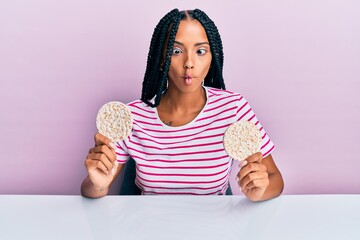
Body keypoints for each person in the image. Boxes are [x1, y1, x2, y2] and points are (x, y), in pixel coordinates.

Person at [81, 9, 284, 201]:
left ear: (213, 58)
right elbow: (90, 190)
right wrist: (97, 185)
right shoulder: (133, 117)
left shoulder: (233, 109)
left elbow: (276, 179)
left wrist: (260, 191)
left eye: (201, 51)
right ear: (162, 59)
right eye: (176, 51)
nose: (189, 63)